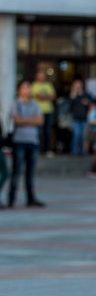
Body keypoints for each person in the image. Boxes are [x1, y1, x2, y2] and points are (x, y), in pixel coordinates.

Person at [5, 80, 45, 208]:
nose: (27, 90)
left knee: (30, 172)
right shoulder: (15, 103)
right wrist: (32, 120)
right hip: (19, 141)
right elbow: (16, 120)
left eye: (29, 87)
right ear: (19, 90)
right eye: (24, 87)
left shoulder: (35, 104)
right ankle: (11, 199)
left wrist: (26, 120)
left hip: (33, 141)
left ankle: (31, 198)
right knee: (16, 172)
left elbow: (40, 120)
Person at [31, 69, 56, 156]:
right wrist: (47, 96)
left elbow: (53, 96)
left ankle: (47, 150)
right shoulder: (34, 85)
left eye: (43, 75)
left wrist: (43, 96)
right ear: (37, 76)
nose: (42, 77)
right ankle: (37, 150)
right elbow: (37, 96)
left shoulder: (48, 85)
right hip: (38, 112)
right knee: (38, 132)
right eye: (40, 75)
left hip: (48, 111)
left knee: (47, 131)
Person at [69, 79, 92, 155]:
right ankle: (74, 151)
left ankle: (83, 151)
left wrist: (87, 103)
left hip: (84, 118)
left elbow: (92, 104)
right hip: (76, 119)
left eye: (79, 86)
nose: (77, 87)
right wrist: (73, 95)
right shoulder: (73, 96)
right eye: (76, 86)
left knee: (84, 136)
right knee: (76, 135)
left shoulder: (86, 95)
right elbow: (70, 107)